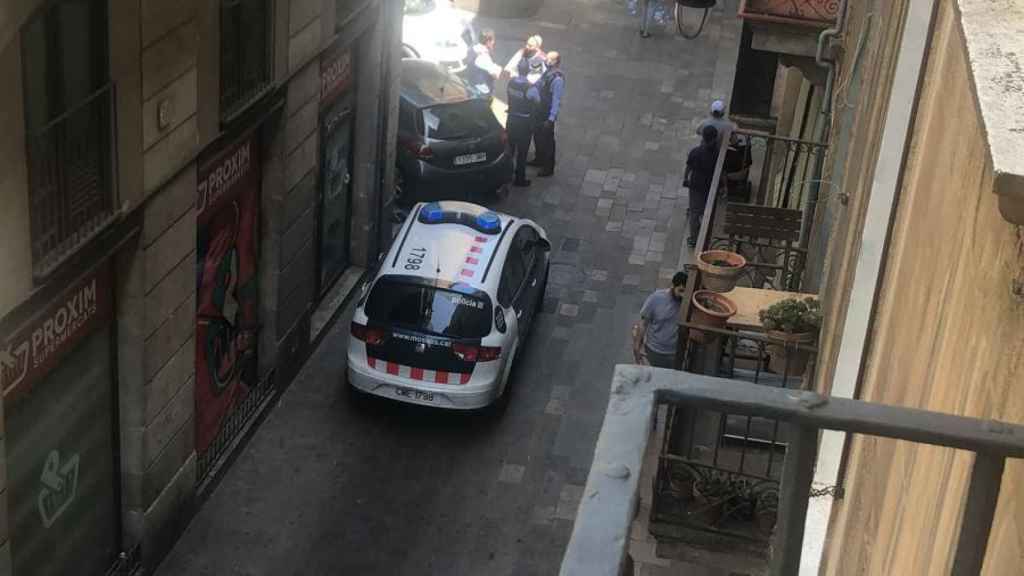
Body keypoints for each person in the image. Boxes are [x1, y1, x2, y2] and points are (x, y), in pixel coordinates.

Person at [633, 271, 689, 368]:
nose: (682, 295)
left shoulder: (687, 302)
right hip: (654, 350)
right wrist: (637, 346)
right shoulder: (656, 298)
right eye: (680, 291)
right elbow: (643, 323)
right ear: (673, 286)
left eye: (685, 292)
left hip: (675, 352)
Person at [685, 125, 721, 247]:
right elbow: (722, 171)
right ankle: (703, 236)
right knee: (706, 211)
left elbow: (688, 167)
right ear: (714, 139)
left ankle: (694, 238)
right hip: (710, 186)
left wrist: (685, 179)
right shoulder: (717, 154)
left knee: (694, 212)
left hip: (695, 185)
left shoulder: (695, 152)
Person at [507, 58, 541, 187]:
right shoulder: (530, 87)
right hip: (523, 123)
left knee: (510, 150)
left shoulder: (510, 83)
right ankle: (519, 179)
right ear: (527, 71)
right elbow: (537, 101)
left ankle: (507, 174)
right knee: (522, 152)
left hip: (510, 120)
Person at [530, 51, 564, 177]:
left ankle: (548, 167)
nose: (548, 61)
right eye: (547, 58)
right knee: (537, 136)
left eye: (551, 59)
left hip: (546, 113)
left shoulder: (557, 79)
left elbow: (556, 100)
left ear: (557, 62)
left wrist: (551, 119)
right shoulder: (546, 73)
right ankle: (539, 159)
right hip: (539, 110)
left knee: (548, 141)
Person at [465, 28, 502, 96]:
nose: (494, 42)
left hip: (472, 84)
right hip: (482, 90)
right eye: (493, 40)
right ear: (488, 42)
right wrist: (500, 69)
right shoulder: (483, 57)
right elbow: (495, 75)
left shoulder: (474, 48)